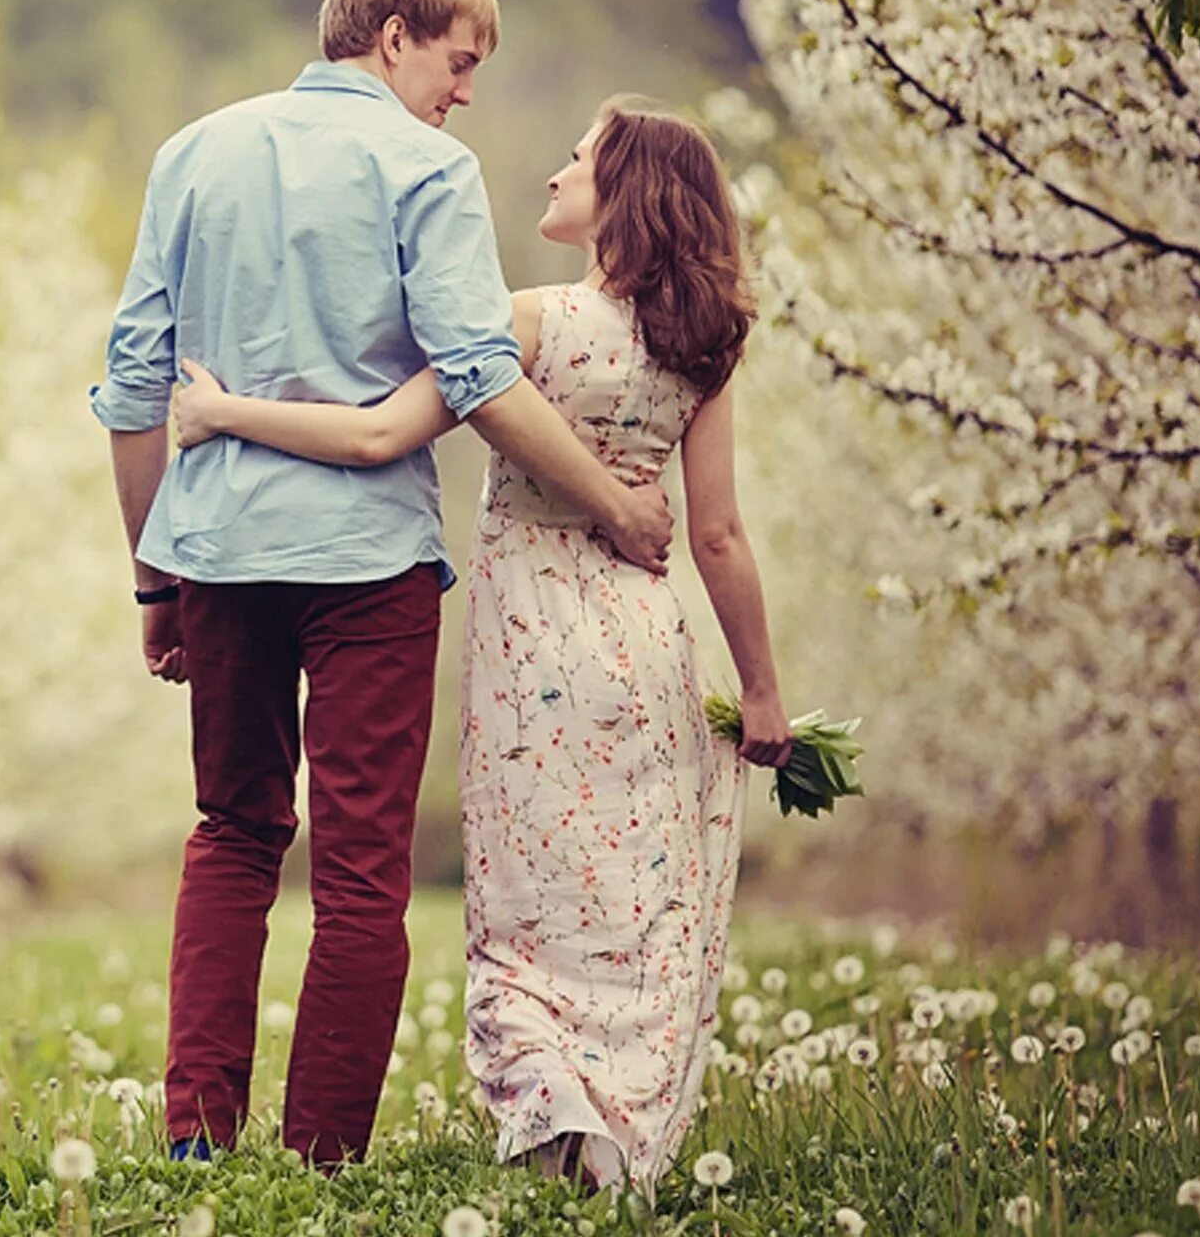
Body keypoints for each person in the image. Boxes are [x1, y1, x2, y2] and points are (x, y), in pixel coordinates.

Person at [89, 0, 675, 1170]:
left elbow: (135, 389)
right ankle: (318, 1163)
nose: (465, 94)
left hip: (220, 556)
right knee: (359, 868)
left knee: (232, 831)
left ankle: (195, 1142)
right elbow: (478, 377)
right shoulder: (428, 168)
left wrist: (155, 576)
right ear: (394, 36)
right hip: (366, 574)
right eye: (458, 63)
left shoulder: (192, 154)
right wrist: (616, 505)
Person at [169, 94, 793, 1190]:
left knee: (527, 909)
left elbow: (373, 435)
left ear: (625, 196)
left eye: (577, 159)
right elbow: (720, 535)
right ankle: (622, 1124)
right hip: (647, 644)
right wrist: (764, 693)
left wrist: (226, 415)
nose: (555, 175)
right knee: (631, 898)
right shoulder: (704, 348)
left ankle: (557, 1114)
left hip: (535, 654)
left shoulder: (529, 323)